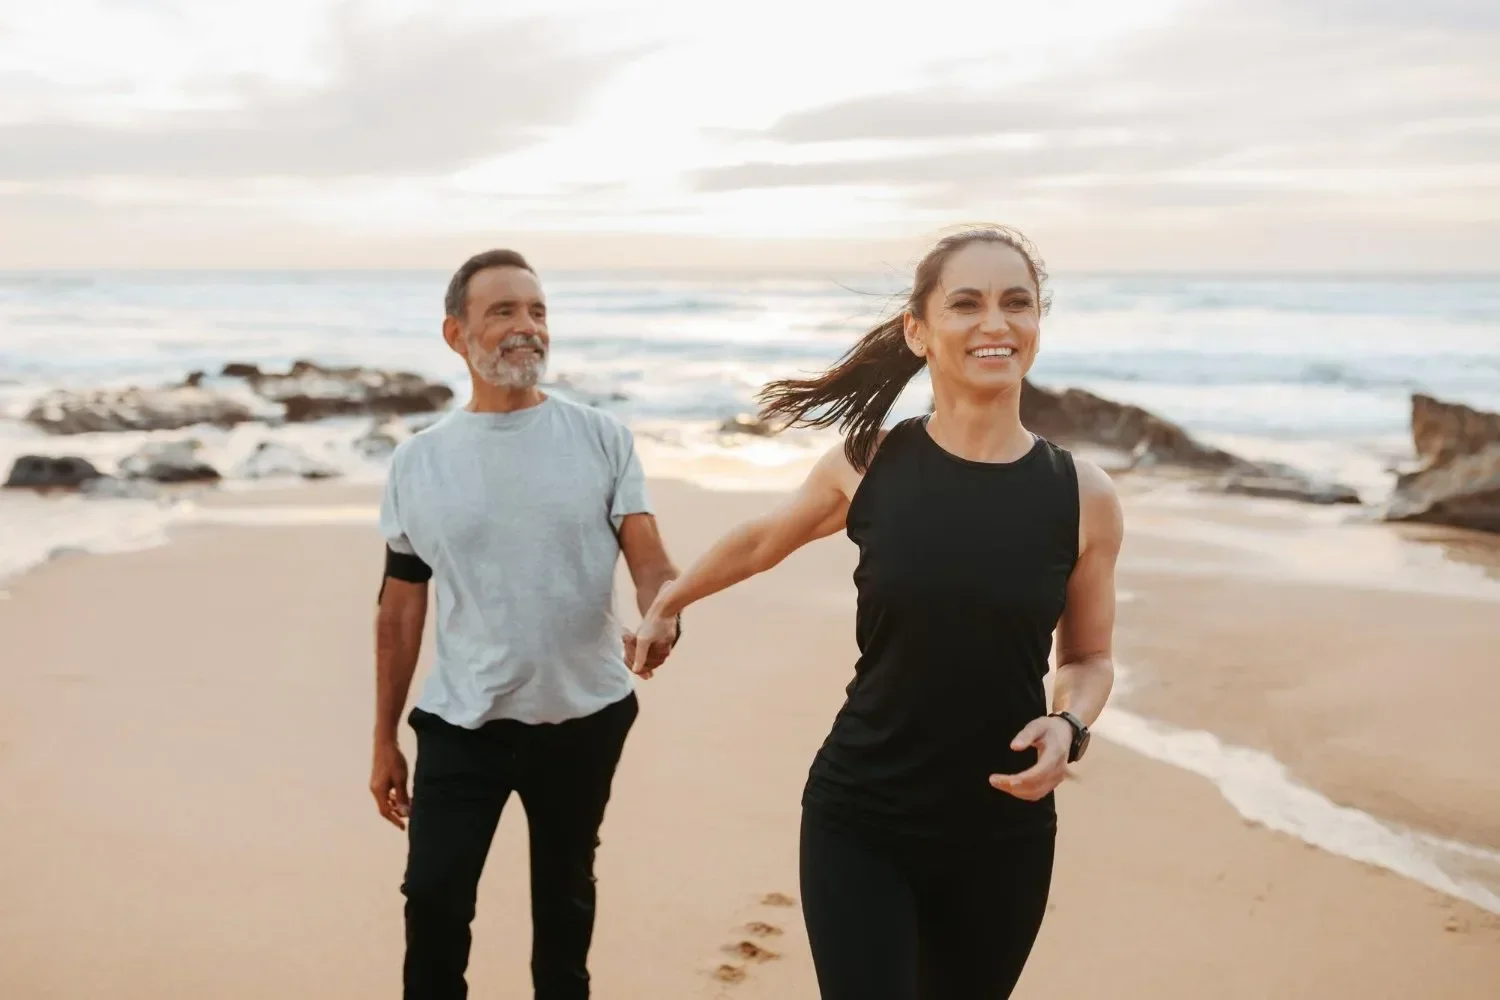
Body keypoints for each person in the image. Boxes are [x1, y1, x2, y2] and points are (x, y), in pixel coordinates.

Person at [630, 226, 1122, 999]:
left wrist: (1070, 726)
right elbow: (761, 541)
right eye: (967, 303)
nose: (995, 323)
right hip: (863, 816)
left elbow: (1089, 658)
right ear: (919, 332)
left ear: (1036, 324)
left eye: (1016, 303)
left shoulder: (1083, 495)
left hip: (1002, 830)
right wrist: (669, 601)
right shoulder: (872, 464)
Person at [371, 248, 682, 1000]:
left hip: (586, 715)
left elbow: (648, 556)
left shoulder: (602, 438)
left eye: (537, 311)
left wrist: (662, 613)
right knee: (435, 901)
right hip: (463, 720)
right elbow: (401, 603)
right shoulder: (419, 463)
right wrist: (384, 737)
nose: (527, 328)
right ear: (457, 334)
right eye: (503, 311)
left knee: (566, 901)